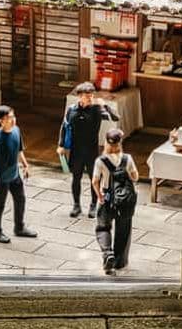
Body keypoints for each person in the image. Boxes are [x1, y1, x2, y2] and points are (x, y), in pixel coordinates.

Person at [57, 82, 120, 219]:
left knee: (94, 178)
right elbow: (64, 127)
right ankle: (76, 205)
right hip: (76, 150)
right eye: (87, 96)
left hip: (92, 150)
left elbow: (116, 118)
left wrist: (105, 105)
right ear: (80, 96)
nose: (90, 98)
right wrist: (61, 145)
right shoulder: (71, 110)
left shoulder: (96, 110)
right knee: (76, 178)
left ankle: (93, 205)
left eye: (91, 95)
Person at [0, 105, 38, 244]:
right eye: (9, 118)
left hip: (15, 175)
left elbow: (19, 150)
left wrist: (25, 165)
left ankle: (19, 227)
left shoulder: (16, 130)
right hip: (1, 178)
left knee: (20, 199)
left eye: (13, 116)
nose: (13, 120)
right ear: (1, 121)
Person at [92, 128, 139, 274]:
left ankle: (108, 254)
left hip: (107, 198)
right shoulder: (127, 159)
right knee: (123, 231)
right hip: (124, 201)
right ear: (120, 143)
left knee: (103, 227)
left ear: (107, 142)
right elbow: (135, 177)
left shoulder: (101, 161)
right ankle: (119, 262)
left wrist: (99, 196)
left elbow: (95, 181)